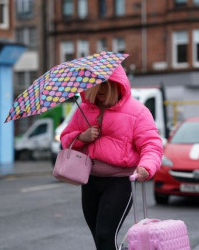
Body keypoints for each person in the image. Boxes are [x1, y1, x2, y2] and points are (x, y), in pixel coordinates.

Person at [60, 65, 163, 250]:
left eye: (104, 86)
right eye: (95, 86)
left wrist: (146, 167)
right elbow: (65, 138)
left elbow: (151, 145)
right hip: (89, 181)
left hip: (120, 182)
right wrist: (81, 137)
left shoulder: (138, 111)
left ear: (116, 85)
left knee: (105, 235)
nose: (99, 90)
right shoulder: (84, 109)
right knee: (100, 239)